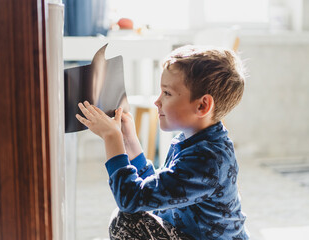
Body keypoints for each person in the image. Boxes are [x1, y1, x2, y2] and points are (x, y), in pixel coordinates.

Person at [75, 45, 249, 240]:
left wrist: (112, 138)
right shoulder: (192, 140)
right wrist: (129, 141)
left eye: (167, 93)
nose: (157, 102)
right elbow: (158, 193)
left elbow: (130, 199)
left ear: (202, 105)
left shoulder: (207, 160)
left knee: (125, 220)